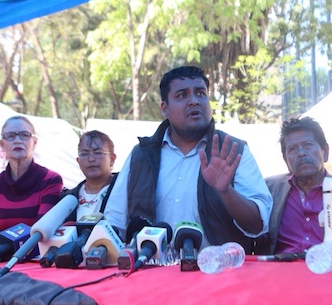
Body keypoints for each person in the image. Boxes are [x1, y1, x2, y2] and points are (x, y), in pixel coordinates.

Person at [104, 66, 272, 252]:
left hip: (217, 274)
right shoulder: (141, 155)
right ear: (165, 108)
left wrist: (226, 192)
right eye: (182, 95)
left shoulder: (233, 150)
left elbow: (258, 225)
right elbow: (114, 223)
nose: (194, 101)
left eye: (201, 93)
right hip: (150, 273)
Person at [254, 116, 332, 256]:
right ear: (285, 160)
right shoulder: (270, 189)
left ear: (325, 152)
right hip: (279, 271)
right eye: (292, 149)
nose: (301, 153)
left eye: (308, 145)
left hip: (330, 271)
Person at [0, 115, 63, 245]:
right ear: (2, 145)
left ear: (35, 143)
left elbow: (41, 234)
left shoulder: (50, 180)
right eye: (10, 136)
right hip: (0, 257)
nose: (17, 140)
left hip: (35, 259)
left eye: (24, 135)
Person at [61, 130, 118, 222]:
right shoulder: (67, 198)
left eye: (98, 152)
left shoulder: (125, 190)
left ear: (112, 159)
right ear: (78, 161)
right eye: (84, 154)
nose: (91, 159)